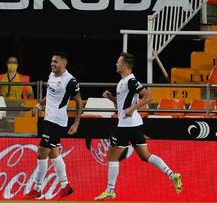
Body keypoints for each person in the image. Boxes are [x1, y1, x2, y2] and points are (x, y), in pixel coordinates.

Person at [94, 52, 182, 200]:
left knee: (112, 157)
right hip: (132, 124)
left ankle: (110, 190)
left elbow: (148, 96)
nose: (116, 64)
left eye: (118, 62)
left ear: (124, 65)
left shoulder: (131, 81)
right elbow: (122, 105)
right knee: (145, 156)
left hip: (126, 125)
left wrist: (133, 108)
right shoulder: (122, 82)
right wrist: (111, 98)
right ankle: (173, 175)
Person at [22, 52, 82, 200]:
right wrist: (38, 106)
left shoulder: (70, 81)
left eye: (55, 62)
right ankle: (65, 186)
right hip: (48, 120)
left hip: (57, 122)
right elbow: (49, 96)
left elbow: (79, 103)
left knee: (41, 153)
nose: (52, 64)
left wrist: (76, 123)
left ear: (64, 63)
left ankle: (37, 188)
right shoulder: (51, 75)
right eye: (51, 61)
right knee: (53, 154)